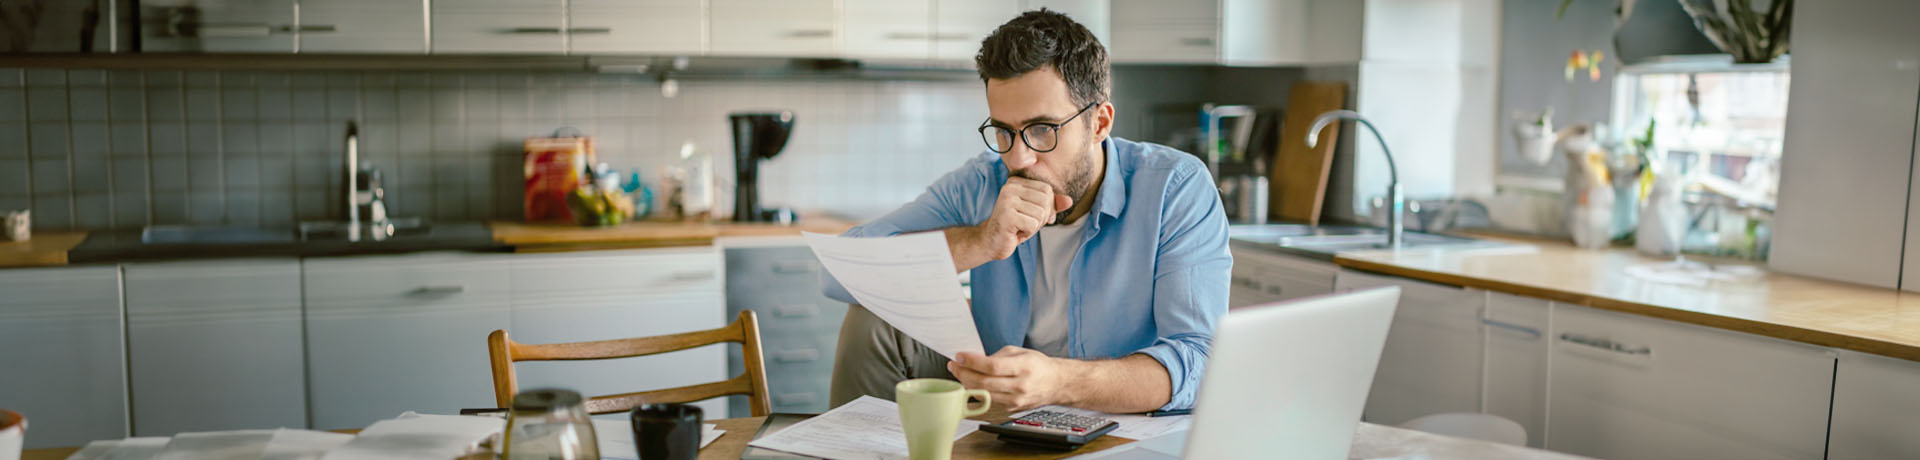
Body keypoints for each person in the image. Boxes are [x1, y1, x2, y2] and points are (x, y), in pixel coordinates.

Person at [820, 9, 1230, 413]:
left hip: (1119, 417)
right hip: (999, 404)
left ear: (1100, 123)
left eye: (1042, 130)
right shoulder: (981, 182)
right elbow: (838, 272)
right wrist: (980, 241)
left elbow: (1201, 362)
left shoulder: (1174, 188)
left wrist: (1057, 382)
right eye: (1003, 131)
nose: (1018, 157)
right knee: (872, 318)